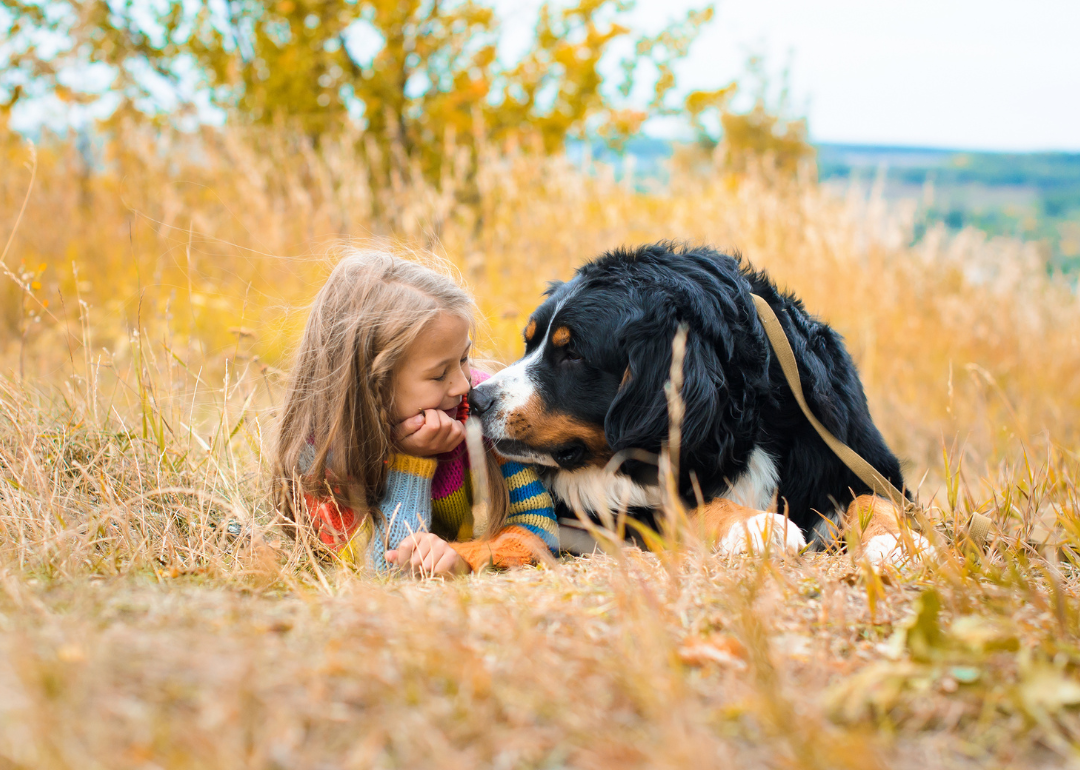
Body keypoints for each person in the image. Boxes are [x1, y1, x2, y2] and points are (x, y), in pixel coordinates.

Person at [272, 248, 559, 575]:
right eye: (439, 374)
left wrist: (465, 559)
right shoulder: (321, 453)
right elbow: (380, 571)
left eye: (463, 359)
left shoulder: (480, 415)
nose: (463, 386)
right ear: (371, 385)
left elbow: (539, 528)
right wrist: (411, 464)